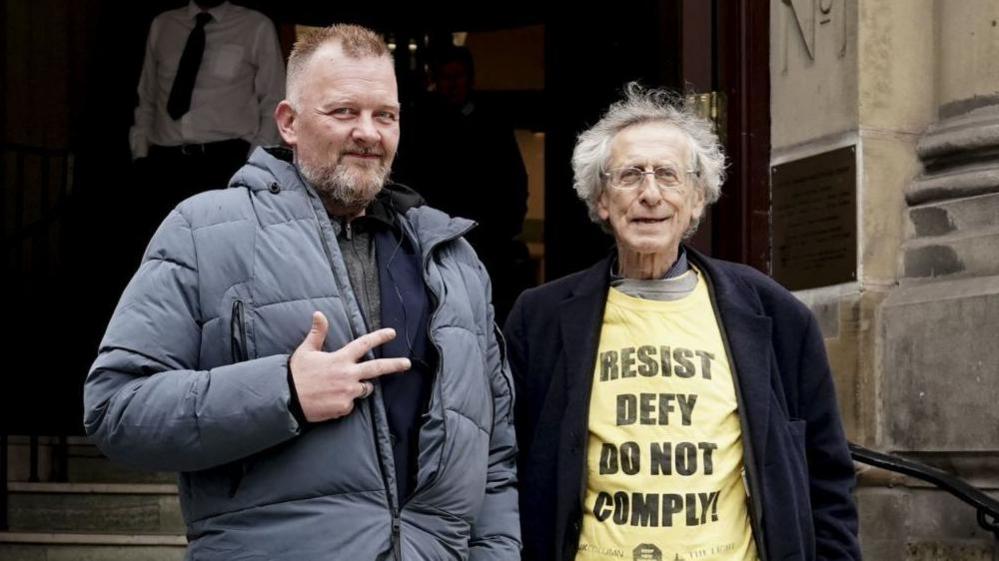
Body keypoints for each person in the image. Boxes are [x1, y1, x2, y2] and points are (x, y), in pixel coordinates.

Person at [85, 24, 519, 561]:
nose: (369, 132)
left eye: (385, 115)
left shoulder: (452, 259)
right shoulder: (202, 231)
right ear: (288, 123)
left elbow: (494, 453)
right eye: (343, 112)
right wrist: (284, 391)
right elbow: (115, 409)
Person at [504, 83, 860, 561]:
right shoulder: (539, 319)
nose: (650, 194)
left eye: (668, 176)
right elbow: (504, 472)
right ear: (602, 200)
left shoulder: (775, 314)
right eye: (630, 175)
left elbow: (827, 479)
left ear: (696, 200)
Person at [393, 45, 530, 324]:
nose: (452, 85)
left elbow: (514, 181)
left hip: (488, 241)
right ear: (435, 80)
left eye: (458, 77)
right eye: (445, 77)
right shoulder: (420, 125)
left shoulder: (492, 124)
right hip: (433, 238)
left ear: (471, 79)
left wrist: (505, 229)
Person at [130, 0, 285, 213]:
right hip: (164, 162)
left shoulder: (255, 26)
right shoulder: (164, 24)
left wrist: (253, 164)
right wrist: (141, 154)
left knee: (220, 242)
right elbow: (147, 95)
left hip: (224, 160)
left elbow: (274, 100)